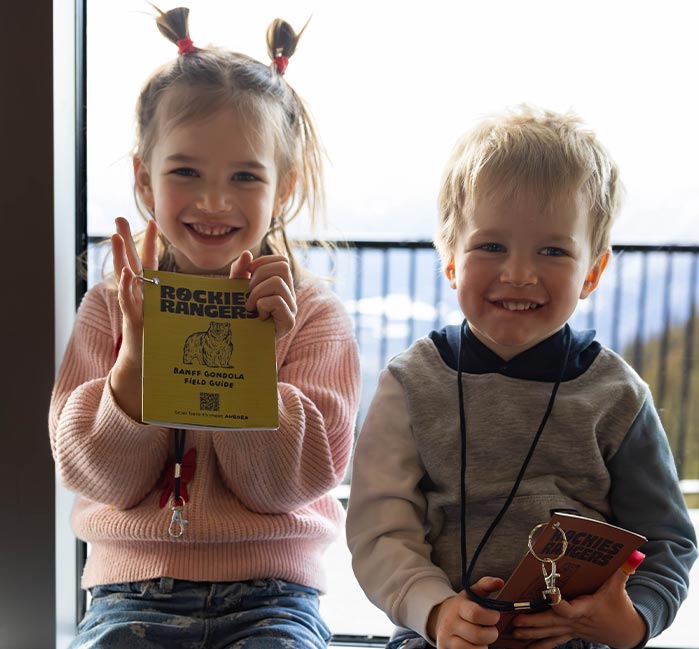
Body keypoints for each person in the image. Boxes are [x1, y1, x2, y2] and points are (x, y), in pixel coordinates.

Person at [50, 6, 360, 648]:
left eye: (245, 177)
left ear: (284, 190)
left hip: (273, 595)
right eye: (185, 171)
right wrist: (135, 360)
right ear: (144, 178)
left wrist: (255, 363)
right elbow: (94, 477)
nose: (215, 201)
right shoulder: (112, 306)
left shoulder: (312, 318)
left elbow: (288, 488)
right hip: (129, 593)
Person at [346, 105, 697, 649]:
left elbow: (667, 539)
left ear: (594, 272)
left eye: (553, 251)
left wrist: (633, 619)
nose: (518, 273)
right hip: (441, 638)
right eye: (491, 246)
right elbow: (381, 530)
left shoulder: (617, 395)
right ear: (450, 259)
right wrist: (436, 611)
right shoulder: (412, 384)